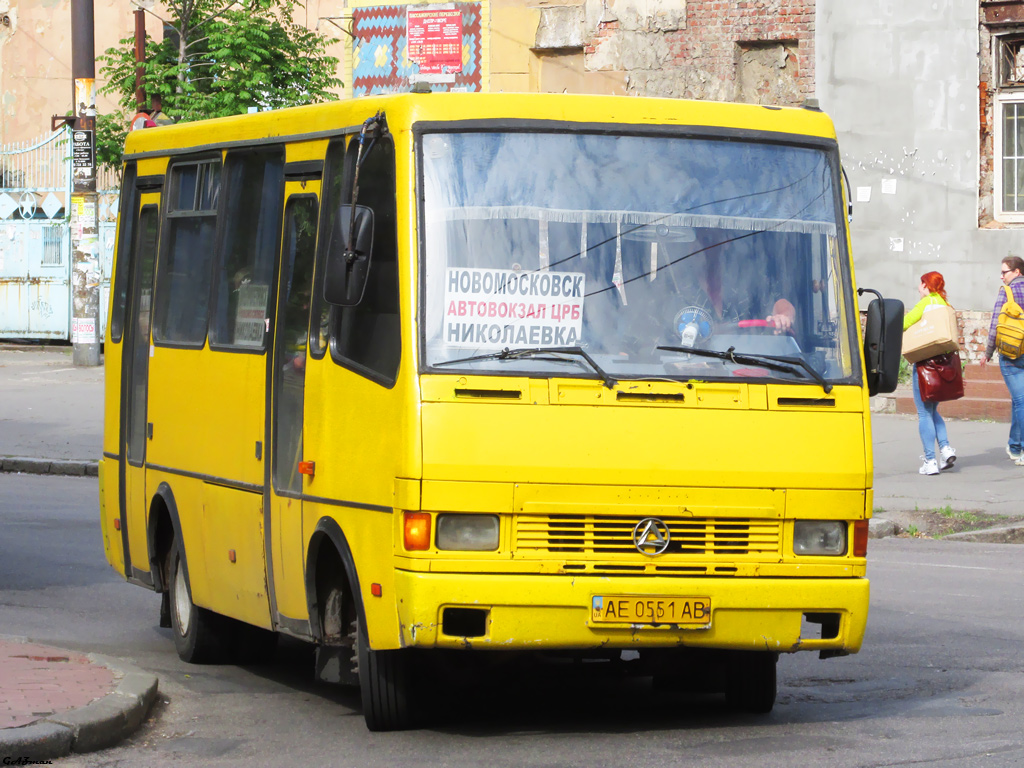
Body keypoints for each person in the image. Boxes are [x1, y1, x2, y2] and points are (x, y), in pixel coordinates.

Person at [904, 271, 957, 475]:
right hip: (942, 366)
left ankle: (930, 460)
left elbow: (904, 323)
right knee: (933, 411)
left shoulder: (925, 304)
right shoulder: (945, 305)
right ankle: (945, 449)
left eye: (920, 284)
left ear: (926, 286)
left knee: (924, 413)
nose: (919, 288)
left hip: (924, 365)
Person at [980, 256, 1024, 464]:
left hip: (1010, 354)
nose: (1001, 276)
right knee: (1020, 401)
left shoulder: (1006, 292)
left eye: (1004, 272)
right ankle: (1015, 446)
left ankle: (1020, 448)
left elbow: (996, 326)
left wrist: (988, 353)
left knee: (1021, 402)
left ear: (1017, 272)